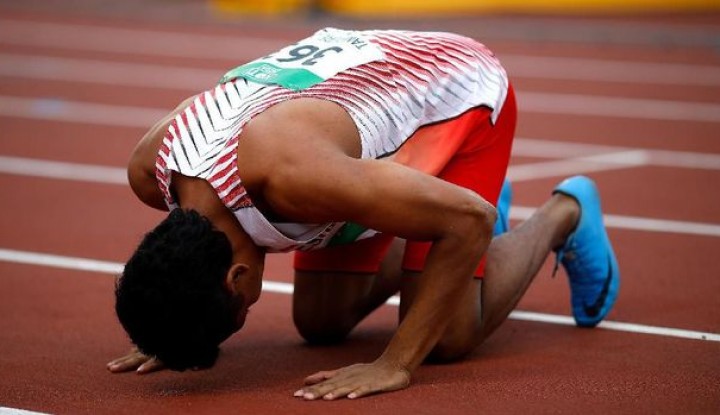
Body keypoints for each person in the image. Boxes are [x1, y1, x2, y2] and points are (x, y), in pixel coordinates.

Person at [107, 28, 620, 400]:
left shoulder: (294, 178)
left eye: (234, 317)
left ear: (235, 277)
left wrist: (394, 363)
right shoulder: (151, 171)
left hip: (458, 94)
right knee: (320, 322)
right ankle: (425, 209)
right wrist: (168, 325)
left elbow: (470, 221)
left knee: (445, 336)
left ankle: (565, 212)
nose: (241, 319)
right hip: (348, 116)